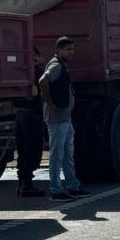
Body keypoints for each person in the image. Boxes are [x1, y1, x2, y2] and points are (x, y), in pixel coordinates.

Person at [39, 37, 89, 202]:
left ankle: (73, 186)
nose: (71, 52)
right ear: (59, 50)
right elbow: (43, 81)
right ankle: (55, 190)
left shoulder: (62, 66)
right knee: (57, 155)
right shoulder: (55, 66)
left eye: (73, 49)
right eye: (68, 49)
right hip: (57, 119)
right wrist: (50, 103)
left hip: (65, 118)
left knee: (68, 154)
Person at [14, 47, 47, 197]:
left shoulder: (18, 71)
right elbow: (38, 92)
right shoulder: (37, 72)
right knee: (32, 149)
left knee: (23, 150)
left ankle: (22, 183)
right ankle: (26, 184)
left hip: (20, 114)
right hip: (32, 114)